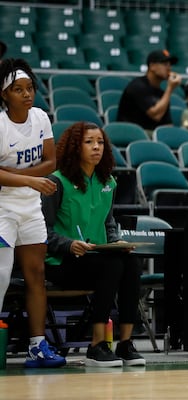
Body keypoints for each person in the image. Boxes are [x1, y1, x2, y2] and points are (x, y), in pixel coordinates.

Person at [41, 122, 145, 368]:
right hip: (61, 262)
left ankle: (126, 343)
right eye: (89, 142)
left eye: (100, 142)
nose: (96, 147)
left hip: (96, 258)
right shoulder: (55, 182)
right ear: (74, 147)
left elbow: (108, 222)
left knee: (130, 262)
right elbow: (41, 231)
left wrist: (116, 241)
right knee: (111, 267)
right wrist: (68, 244)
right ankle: (97, 345)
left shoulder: (107, 181)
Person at [0, 58, 65, 368]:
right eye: (17, 89)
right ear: (4, 94)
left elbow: (51, 161)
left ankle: (37, 346)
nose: (26, 94)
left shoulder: (40, 117)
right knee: (0, 275)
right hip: (2, 208)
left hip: (30, 207)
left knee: (36, 275)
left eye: (29, 88)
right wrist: (30, 179)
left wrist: (21, 177)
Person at [117, 49, 182, 135]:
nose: (169, 68)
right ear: (152, 66)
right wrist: (170, 88)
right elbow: (156, 115)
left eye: (170, 65)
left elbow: (168, 125)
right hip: (131, 134)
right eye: (165, 64)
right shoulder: (138, 86)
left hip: (152, 136)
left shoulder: (162, 94)